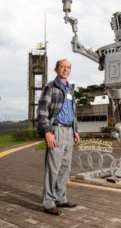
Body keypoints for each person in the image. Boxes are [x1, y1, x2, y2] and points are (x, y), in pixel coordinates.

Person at [37, 59, 80, 216]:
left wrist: (75, 131)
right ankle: (48, 202)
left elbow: (73, 113)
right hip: (56, 130)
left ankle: (60, 198)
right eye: (63, 67)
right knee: (53, 168)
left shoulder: (70, 89)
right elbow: (42, 111)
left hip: (69, 132)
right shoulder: (50, 87)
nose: (66, 69)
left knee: (65, 167)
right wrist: (47, 131)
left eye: (68, 67)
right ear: (56, 69)